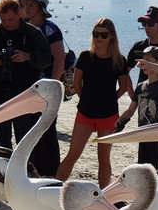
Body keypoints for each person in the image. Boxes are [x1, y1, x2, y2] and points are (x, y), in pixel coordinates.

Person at [0, 0, 59, 176]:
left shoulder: (33, 33)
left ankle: (25, 173)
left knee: (24, 134)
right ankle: (3, 173)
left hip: (25, 92)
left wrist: (28, 57)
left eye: (10, 19)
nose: (6, 23)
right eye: (2, 20)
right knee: (2, 135)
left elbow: (47, 59)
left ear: (19, 14)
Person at [56, 18, 131, 187]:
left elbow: (124, 87)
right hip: (85, 114)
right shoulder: (85, 56)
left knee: (104, 159)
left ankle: (103, 199)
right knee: (72, 155)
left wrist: (108, 100)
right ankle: (52, 189)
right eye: (95, 34)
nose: (99, 38)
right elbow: (76, 84)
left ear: (111, 36)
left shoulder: (119, 60)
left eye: (103, 35)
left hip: (108, 115)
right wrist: (87, 100)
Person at [115, 45, 158, 168]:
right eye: (143, 60)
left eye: (148, 61)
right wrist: (120, 121)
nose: (144, 63)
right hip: (143, 137)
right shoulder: (140, 86)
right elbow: (130, 110)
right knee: (145, 172)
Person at [19, 0, 67, 82]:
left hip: (44, 81)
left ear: (41, 10)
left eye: (31, 5)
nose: (27, 8)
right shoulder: (22, 26)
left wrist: (53, 83)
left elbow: (59, 58)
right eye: (26, 4)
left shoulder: (50, 29)